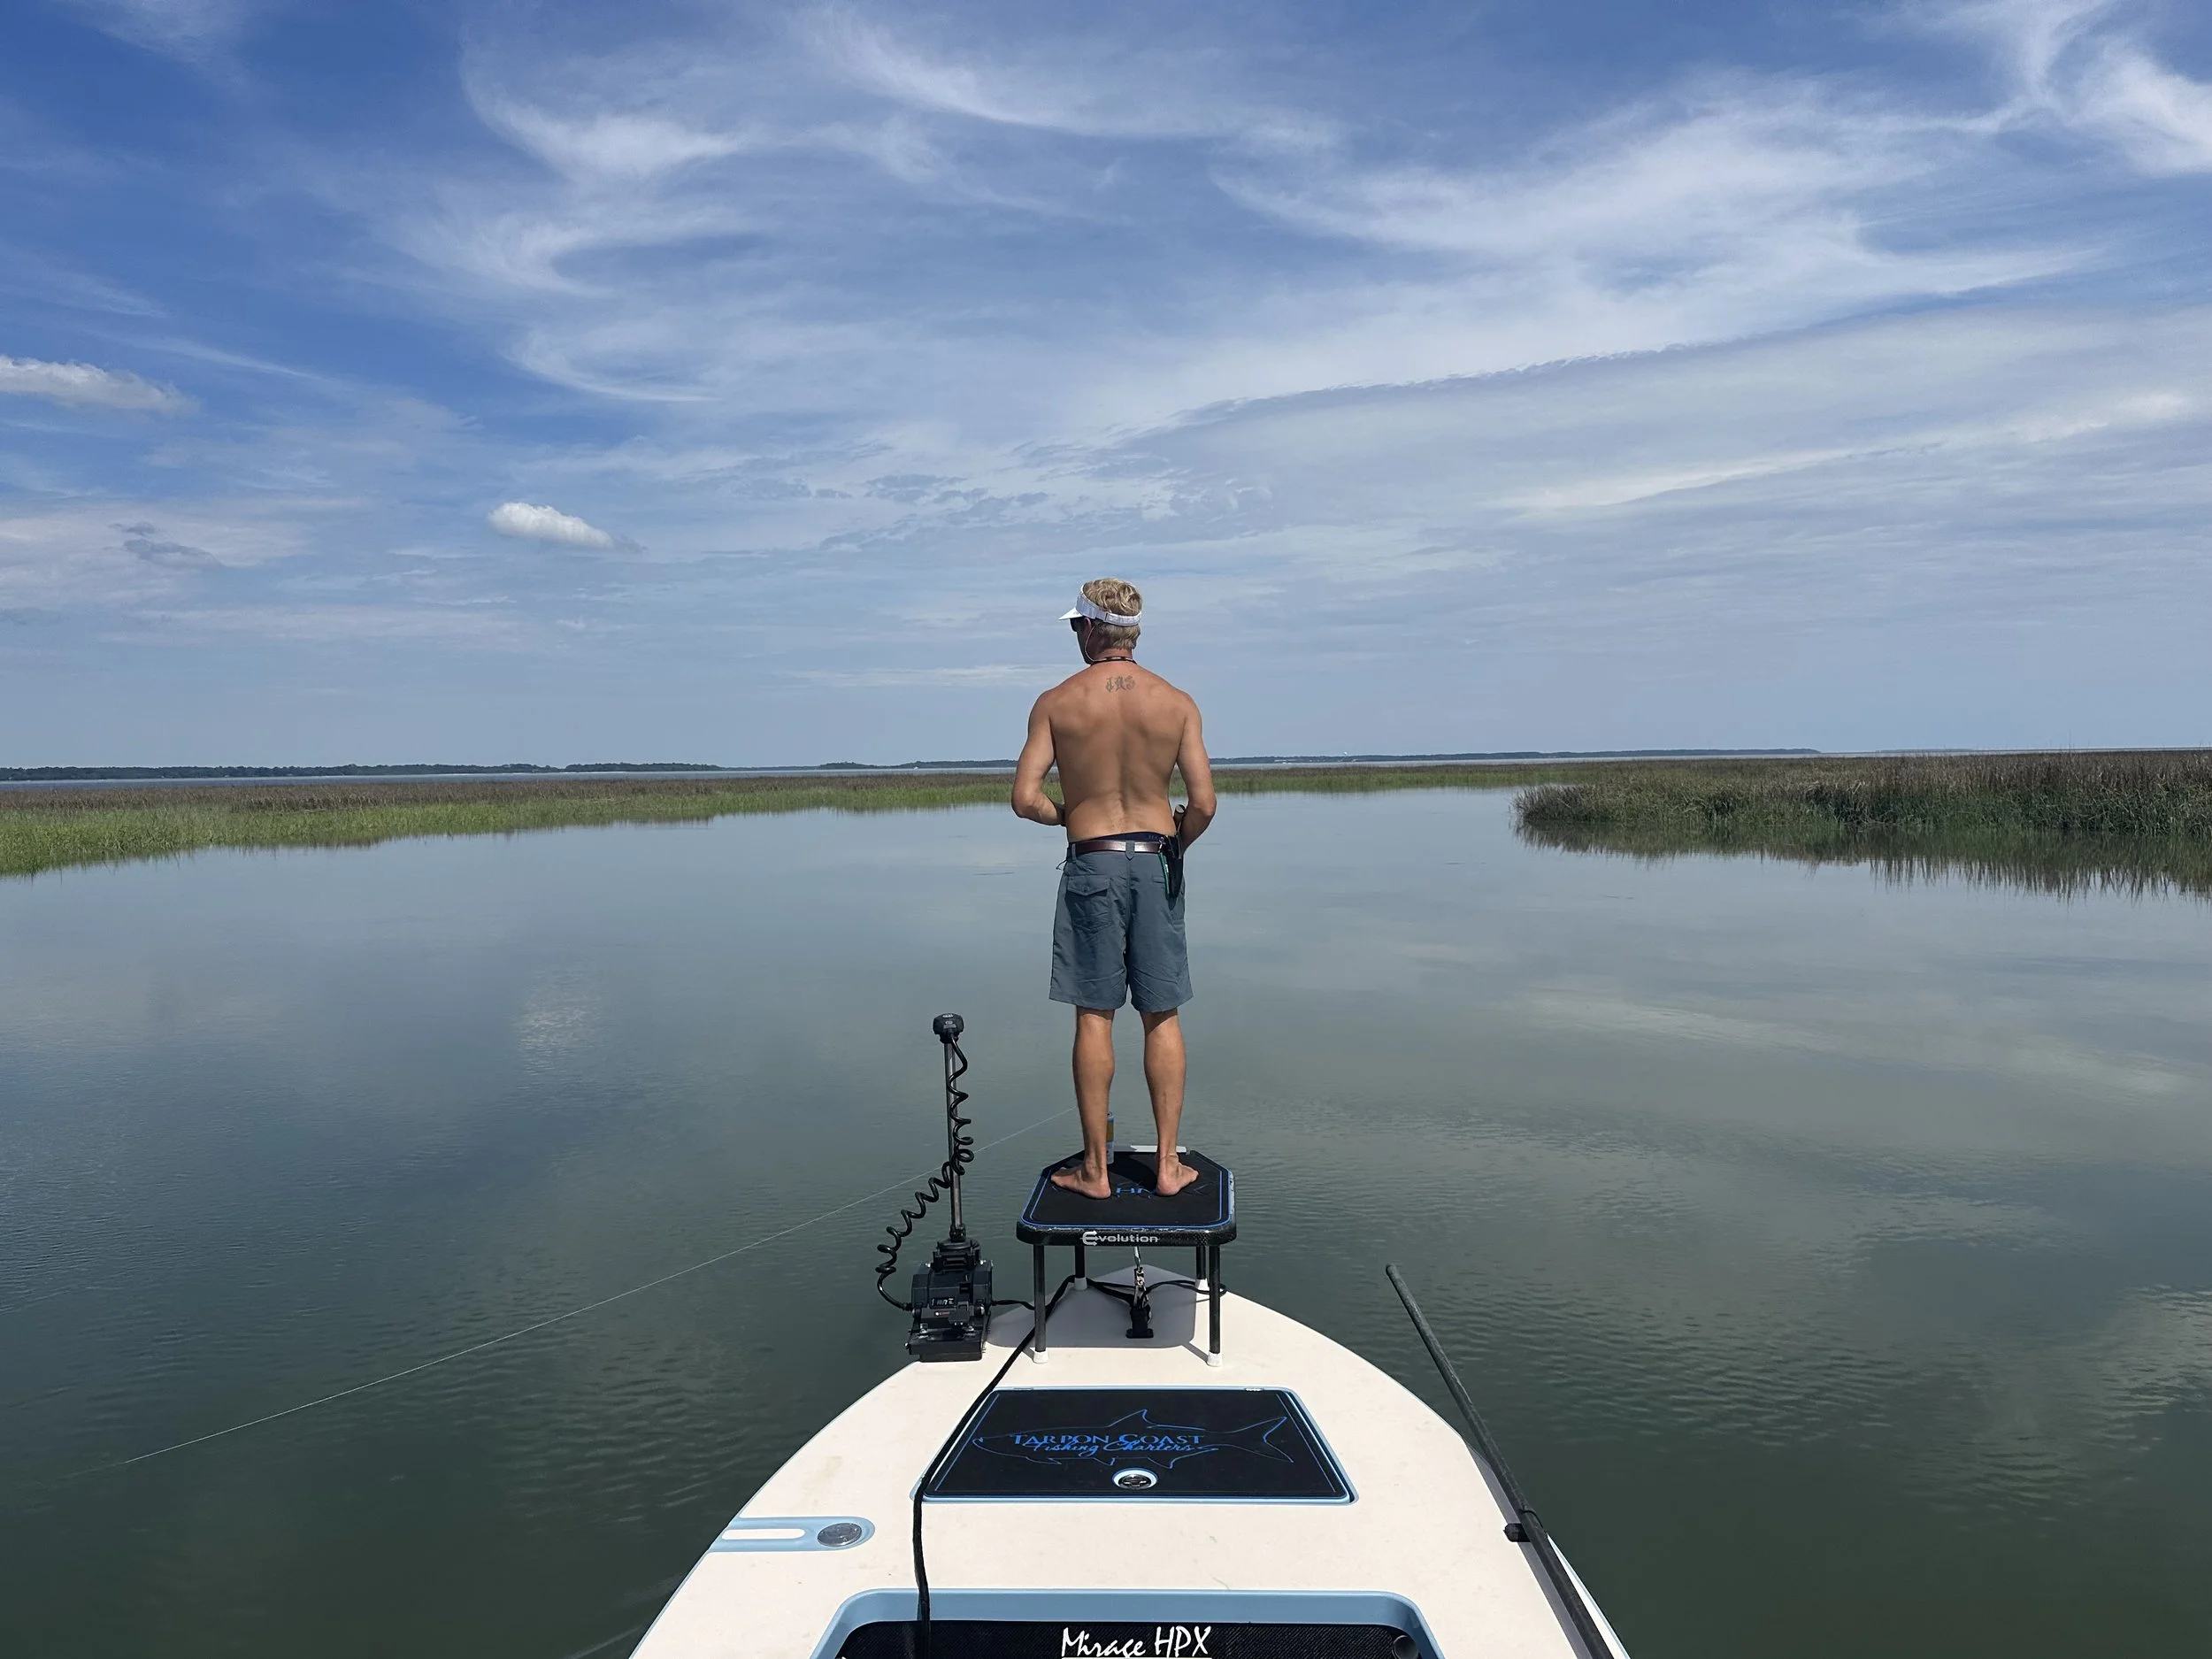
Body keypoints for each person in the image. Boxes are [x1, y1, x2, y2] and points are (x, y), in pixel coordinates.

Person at [1011, 578, 1217, 1199]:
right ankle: (1168, 1166)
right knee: (1162, 1014)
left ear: (1096, 629)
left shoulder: (1056, 702)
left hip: (1093, 859)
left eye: (1078, 625)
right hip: (1156, 858)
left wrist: (1069, 815)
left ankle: (1096, 1172)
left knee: (1094, 1015)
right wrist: (1176, 841)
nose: (1076, 634)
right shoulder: (1176, 702)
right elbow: (1204, 803)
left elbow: (1024, 799)